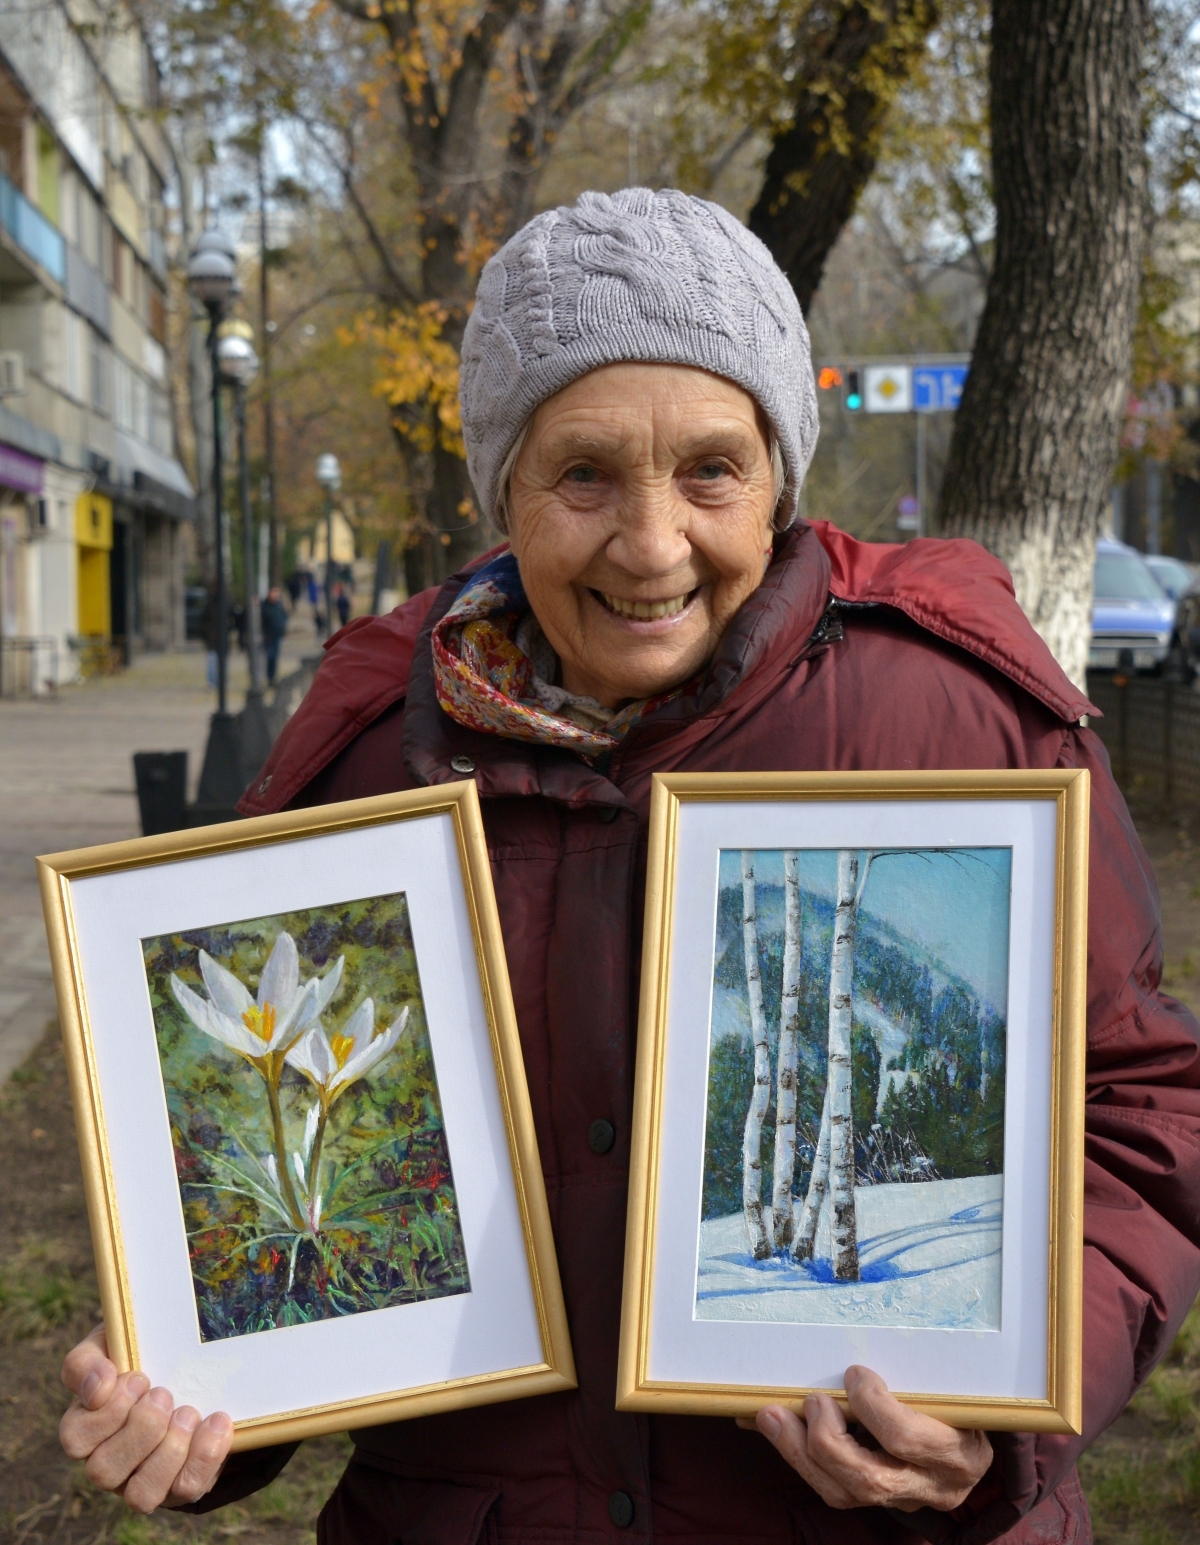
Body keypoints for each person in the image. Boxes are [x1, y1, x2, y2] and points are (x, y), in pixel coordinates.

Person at [59, 189, 1200, 1543]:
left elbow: (1139, 1105)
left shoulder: (949, 717)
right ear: (502, 486)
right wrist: (207, 1402)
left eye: (711, 469)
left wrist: (1018, 1397)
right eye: (585, 474)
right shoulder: (366, 768)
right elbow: (270, 1240)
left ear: (780, 475)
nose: (653, 545)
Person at [259, 586, 289, 686]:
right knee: (269, 657)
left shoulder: (279, 605)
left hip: (277, 635)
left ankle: (272, 678)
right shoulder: (265, 606)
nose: (275, 595)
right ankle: (269, 677)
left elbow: (284, 616)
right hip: (268, 636)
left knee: (274, 658)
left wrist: (282, 627)